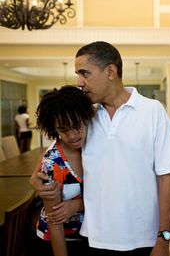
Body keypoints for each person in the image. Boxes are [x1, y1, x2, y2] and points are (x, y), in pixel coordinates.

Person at [31, 41, 170, 256]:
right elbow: (53, 155)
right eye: (77, 74)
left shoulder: (153, 111)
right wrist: (34, 179)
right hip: (94, 237)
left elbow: (167, 177)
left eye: (85, 73)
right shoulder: (84, 118)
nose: (79, 82)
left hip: (144, 236)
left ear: (110, 71)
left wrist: (164, 238)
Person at [33, 85, 94, 256]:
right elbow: (55, 223)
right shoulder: (53, 163)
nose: (73, 135)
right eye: (63, 130)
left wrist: (80, 204)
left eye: (76, 126)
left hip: (92, 236)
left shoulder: (96, 146)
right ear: (54, 128)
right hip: (60, 242)